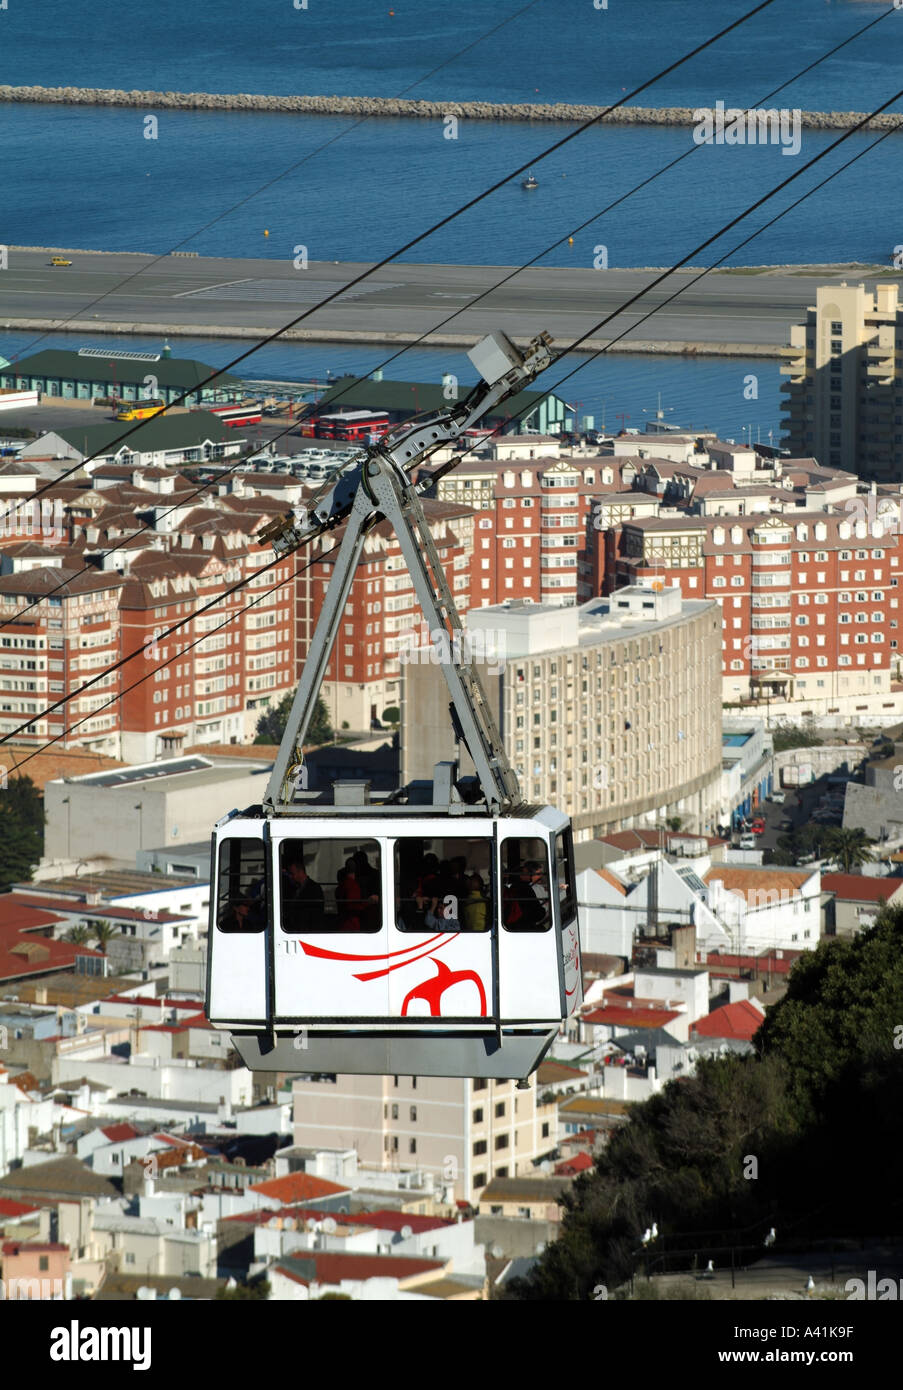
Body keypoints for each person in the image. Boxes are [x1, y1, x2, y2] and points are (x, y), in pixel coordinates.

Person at [281, 844, 325, 929]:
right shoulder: (295, 888)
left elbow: (316, 914)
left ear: (300, 872)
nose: (291, 876)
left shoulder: (314, 888)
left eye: (292, 874)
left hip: (308, 930)